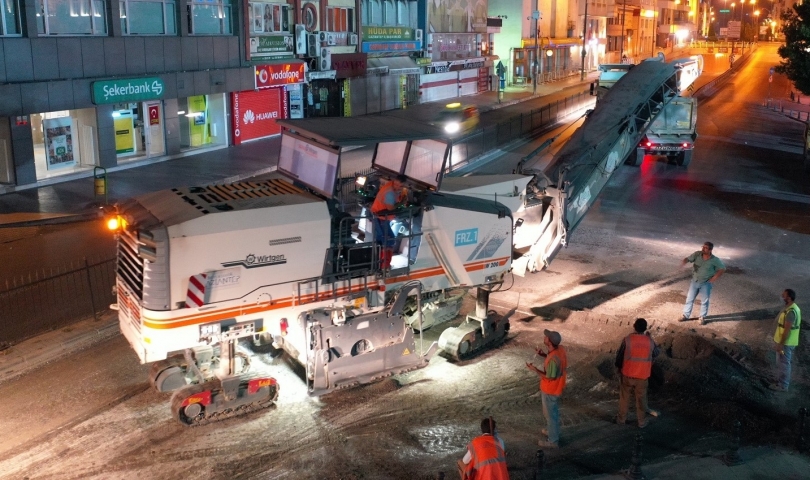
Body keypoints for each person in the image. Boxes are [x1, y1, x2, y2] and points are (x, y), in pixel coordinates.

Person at [615, 318, 660, 428]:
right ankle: (641, 422)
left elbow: (619, 356)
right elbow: (656, 353)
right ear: (645, 328)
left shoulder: (627, 340)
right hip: (642, 376)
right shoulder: (649, 341)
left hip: (627, 375)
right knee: (641, 400)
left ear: (634, 326)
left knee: (624, 398)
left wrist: (619, 368)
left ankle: (621, 420)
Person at [526, 329, 567, 448]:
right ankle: (552, 431)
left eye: (546, 337)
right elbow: (553, 360)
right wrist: (543, 354)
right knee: (552, 414)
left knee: (550, 415)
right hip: (557, 387)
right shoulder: (560, 349)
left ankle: (553, 441)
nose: (544, 337)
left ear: (549, 342)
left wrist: (535, 370)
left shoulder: (553, 359)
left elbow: (550, 376)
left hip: (551, 389)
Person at [679, 241, 726, 325]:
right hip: (695, 281)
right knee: (689, 299)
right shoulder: (697, 254)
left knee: (704, 301)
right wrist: (683, 262)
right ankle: (685, 315)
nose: (703, 249)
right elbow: (688, 259)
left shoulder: (715, 260)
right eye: (703, 247)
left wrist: (714, 278)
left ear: (710, 250)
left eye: (706, 248)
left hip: (705, 283)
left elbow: (722, 268)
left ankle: (702, 317)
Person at [770, 289, 801, 392]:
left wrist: (780, 344)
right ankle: (780, 381)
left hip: (786, 343)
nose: (781, 296)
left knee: (783, 364)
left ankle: (783, 385)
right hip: (784, 342)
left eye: (783, 295)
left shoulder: (791, 312)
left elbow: (787, 330)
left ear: (789, 298)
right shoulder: (789, 308)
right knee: (781, 363)